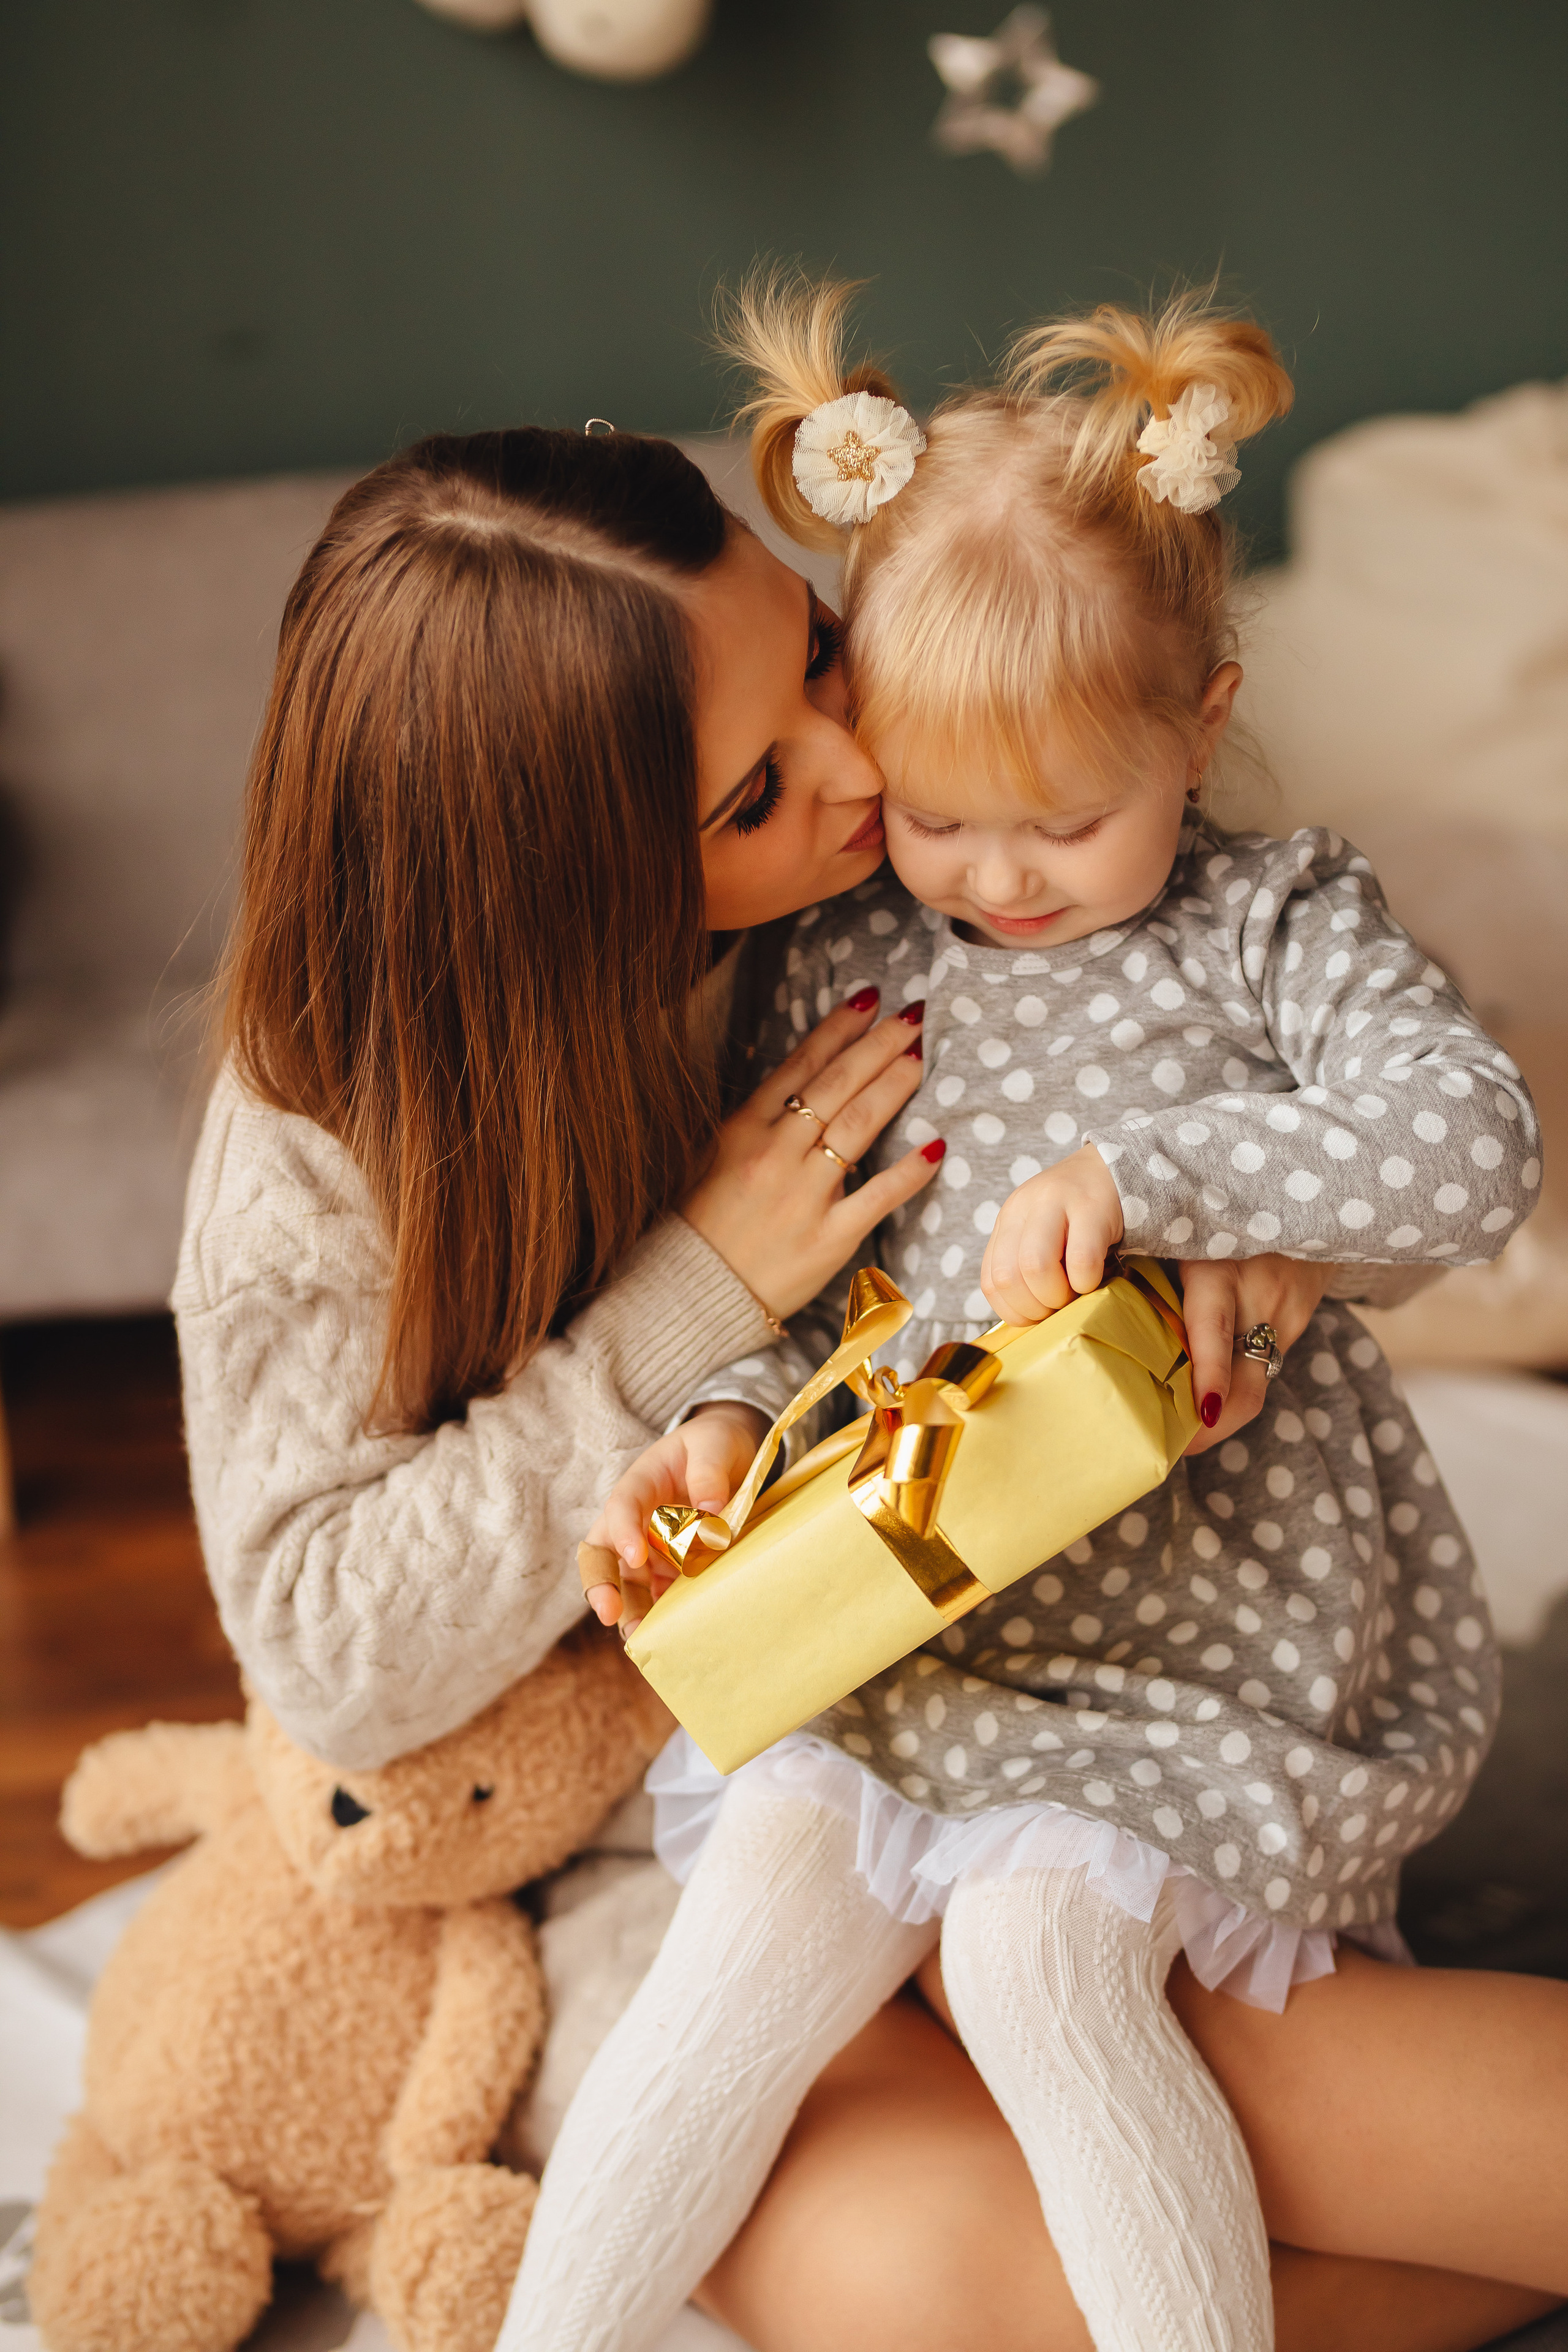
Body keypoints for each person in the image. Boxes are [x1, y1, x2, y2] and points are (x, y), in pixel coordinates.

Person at [174, 412, 1566, 2352]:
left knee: (1157, 2030)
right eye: (761, 783)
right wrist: (697, 1319)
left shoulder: (959, 869)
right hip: (640, 1793)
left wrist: (1258, 1238)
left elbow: (1377, 1120)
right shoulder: (333, 1120)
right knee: (949, 2272)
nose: (865, 769)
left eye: (818, 654)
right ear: (586, 875)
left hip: (1082, 1670)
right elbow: (326, 1652)